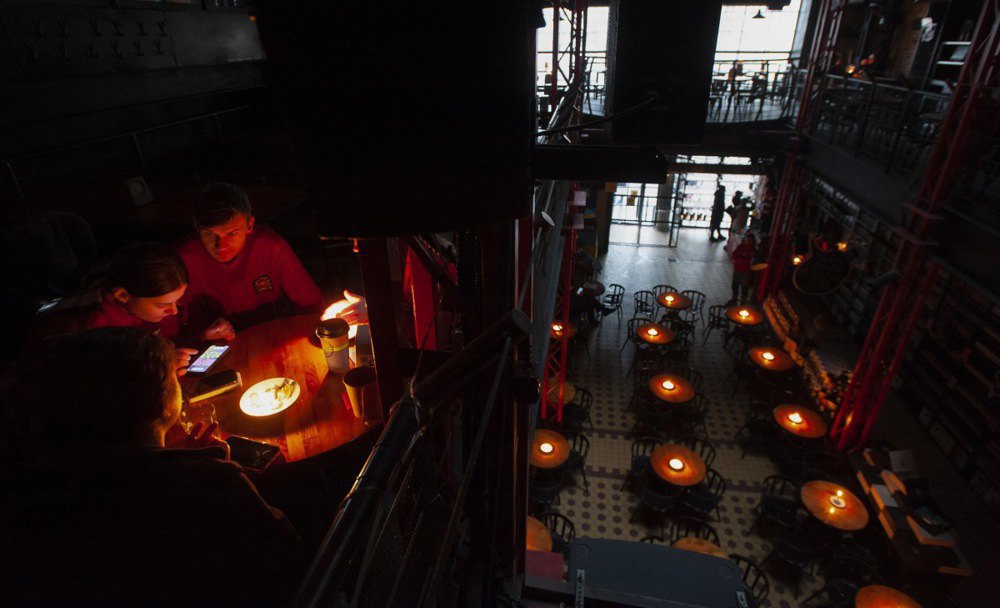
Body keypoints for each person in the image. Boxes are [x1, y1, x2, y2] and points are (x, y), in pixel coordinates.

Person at [2, 327, 306, 607]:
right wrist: (209, 467)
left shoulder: (54, 492)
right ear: (164, 401)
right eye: (173, 378)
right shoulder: (209, 480)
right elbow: (286, 549)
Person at [25, 242, 224, 373]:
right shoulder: (90, 331)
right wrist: (158, 368)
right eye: (163, 305)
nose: (173, 311)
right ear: (122, 295)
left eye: (177, 302)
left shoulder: (144, 306)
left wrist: (202, 337)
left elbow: (169, 342)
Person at [178, 182, 324, 334]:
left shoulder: (271, 247)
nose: (221, 245)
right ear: (197, 229)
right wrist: (202, 336)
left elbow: (311, 304)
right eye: (210, 234)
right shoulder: (185, 259)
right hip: (214, 349)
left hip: (273, 336)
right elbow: (169, 332)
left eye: (231, 233)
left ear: (249, 225)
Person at [730, 232, 756, 304]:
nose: (748, 241)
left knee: (744, 287)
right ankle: (734, 300)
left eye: (749, 240)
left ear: (752, 241)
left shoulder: (752, 250)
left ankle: (742, 302)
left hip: (745, 271)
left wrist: (740, 259)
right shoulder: (741, 246)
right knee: (735, 285)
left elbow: (748, 261)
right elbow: (734, 255)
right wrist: (743, 260)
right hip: (738, 269)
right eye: (747, 239)